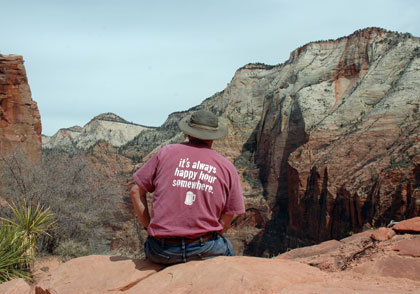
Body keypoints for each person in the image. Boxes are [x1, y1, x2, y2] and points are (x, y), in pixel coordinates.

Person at [130, 109, 245, 265]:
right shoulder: (227, 167)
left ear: (188, 133)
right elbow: (228, 217)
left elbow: (136, 191)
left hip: (161, 251)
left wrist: (148, 227)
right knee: (228, 248)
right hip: (205, 249)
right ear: (214, 137)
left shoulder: (165, 153)